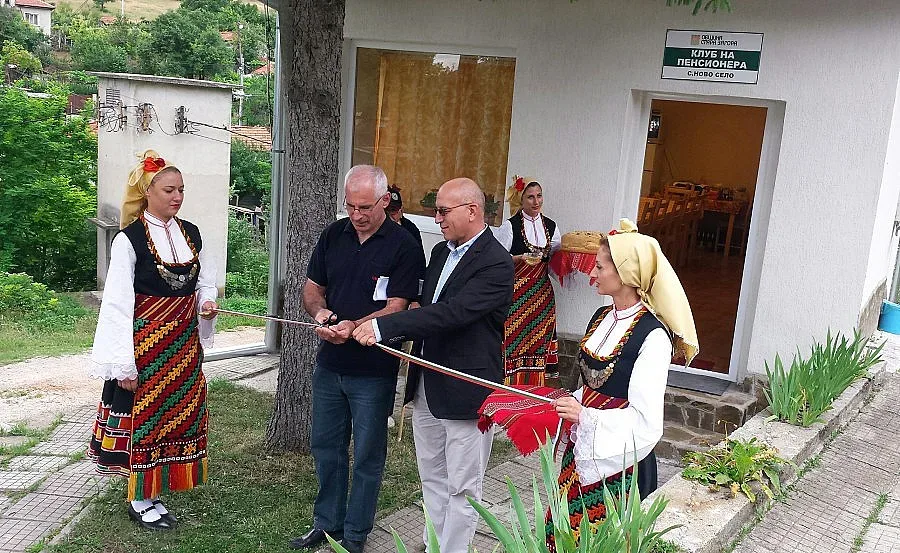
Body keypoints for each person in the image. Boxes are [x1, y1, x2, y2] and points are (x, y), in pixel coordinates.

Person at [352, 178, 514, 553]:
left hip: (466, 389)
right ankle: (431, 543)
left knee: (463, 487)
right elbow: (425, 309)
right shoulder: (441, 251)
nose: (436, 218)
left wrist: (381, 327)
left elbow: (450, 314)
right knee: (433, 479)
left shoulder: (497, 263)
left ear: (472, 211)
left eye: (443, 211)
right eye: (435, 210)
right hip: (426, 382)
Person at [289, 165, 425, 553]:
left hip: (374, 370)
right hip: (329, 364)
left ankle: (354, 535)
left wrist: (354, 325)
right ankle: (326, 524)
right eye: (350, 205)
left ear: (384, 201)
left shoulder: (404, 245)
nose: (357, 214)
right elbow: (313, 289)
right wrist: (321, 316)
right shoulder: (334, 234)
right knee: (326, 447)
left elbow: (397, 306)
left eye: (365, 206)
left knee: (367, 454)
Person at [547, 219, 698, 551]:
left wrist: (585, 417)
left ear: (627, 275)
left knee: (597, 541)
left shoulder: (653, 336)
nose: (592, 274)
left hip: (618, 460)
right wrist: (567, 403)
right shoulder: (601, 317)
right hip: (581, 450)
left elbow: (646, 421)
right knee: (562, 535)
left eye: (599, 267)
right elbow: (590, 386)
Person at [87, 150, 218, 530]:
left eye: (180, 190)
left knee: (175, 415)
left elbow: (204, 281)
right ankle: (140, 497)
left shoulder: (192, 234)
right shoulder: (128, 240)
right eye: (168, 190)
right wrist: (123, 363)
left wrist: (206, 302)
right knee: (146, 417)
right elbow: (116, 303)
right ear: (148, 193)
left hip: (182, 345)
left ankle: (156, 488)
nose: (176, 197)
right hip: (144, 347)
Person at [493, 176, 562, 386]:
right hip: (516, 294)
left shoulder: (551, 227)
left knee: (539, 339)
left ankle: (535, 385)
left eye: (539, 196)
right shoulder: (509, 227)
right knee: (514, 338)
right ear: (521, 200)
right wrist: (518, 259)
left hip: (542, 293)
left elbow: (554, 261)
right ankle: (510, 383)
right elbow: (497, 260)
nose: (536, 202)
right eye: (530, 197)